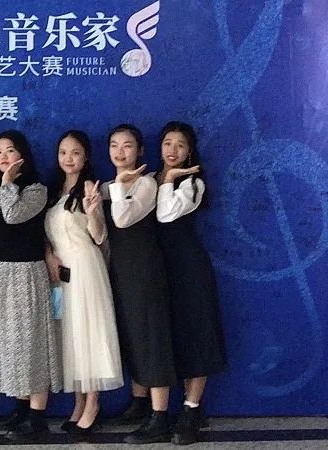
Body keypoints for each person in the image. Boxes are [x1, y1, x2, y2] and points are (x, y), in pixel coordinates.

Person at [0, 130, 62, 439]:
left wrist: (7, 183)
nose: (3, 157)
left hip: (24, 274)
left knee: (31, 343)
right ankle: (21, 407)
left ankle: (38, 416)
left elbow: (14, 216)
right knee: (9, 343)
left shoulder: (35, 189)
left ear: (23, 155)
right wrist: (3, 185)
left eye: (10, 150)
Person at [44, 130, 123, 435]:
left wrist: (92, 213)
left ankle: (93, 403)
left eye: (75, 152)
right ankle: (77, 402)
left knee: (89, 333)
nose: (69, 158)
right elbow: (47, 235)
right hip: (58, 273)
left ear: (86, 156)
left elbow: (100, 237)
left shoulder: (90, 188)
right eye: (63, 152)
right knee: (68, 335)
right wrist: (49, 255)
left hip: (85, 268)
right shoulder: (53, 191)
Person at [101, 123, 176, 445]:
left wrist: (120, 185)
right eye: (114, 145)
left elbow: (123, 218)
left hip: (145, 271)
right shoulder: (109, 186)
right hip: (120, 271)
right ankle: (139, 403)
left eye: (127, 145)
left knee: (151, 338)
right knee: (132, 336)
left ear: (141, 151)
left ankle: (160, 416)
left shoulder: (147, 183)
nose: (120, 152)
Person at [155, 121, 226, 445]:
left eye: (180, 145)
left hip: (189, 270)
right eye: (167, 143)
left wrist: (170, 180)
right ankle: (172, 409)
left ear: (190, 151)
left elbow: (167, 214)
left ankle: (191, 408)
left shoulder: (192, 183)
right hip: (159, 271)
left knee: (196, 336)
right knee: (171, 338)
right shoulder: (149, 178)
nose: (172, 150)